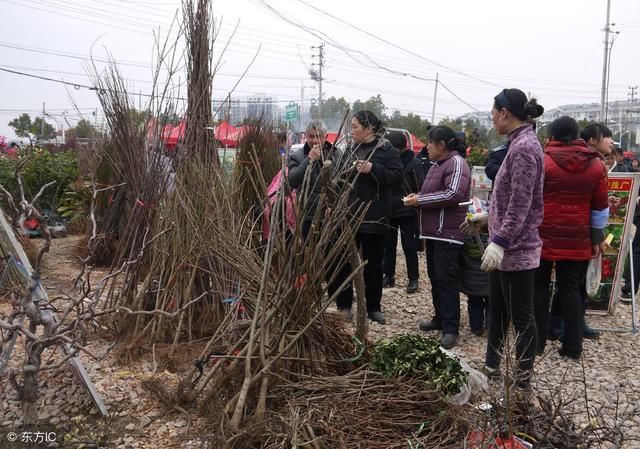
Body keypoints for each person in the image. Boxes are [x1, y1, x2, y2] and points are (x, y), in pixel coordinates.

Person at [464, 88, 544, 390]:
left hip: (517, 251)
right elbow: (508, 196)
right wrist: (488, 220)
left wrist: (500, 241)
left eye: (493, 111)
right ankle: (492, 366)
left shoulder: (525, 147)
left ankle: (522, 380)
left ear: (505, 113)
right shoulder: (518, 143)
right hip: (506, 245)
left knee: (522, 319)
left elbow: (522, 202)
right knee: (497, 310)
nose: (492, 117)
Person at [533, 116, 609, 360]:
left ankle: (537, 343)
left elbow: (533, 200)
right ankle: (573, 346)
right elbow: (600, 207)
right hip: (578, 235)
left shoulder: (543, 161)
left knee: (539, 285)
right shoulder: (596, 164)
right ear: (577, 135)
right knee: (571, 289)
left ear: (553, 136)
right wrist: (596, 237)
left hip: (543, 233)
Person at [331, 110, 403, 324]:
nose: (351, 131)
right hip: (349, 214)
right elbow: (339, 178)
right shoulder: (351, 149)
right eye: (351, 126)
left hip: (375, 215)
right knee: (343, 261)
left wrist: (374, 169)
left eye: (355, 126)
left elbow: (397, 178)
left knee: (373, 265)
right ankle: (344, 305)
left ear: (369, 128)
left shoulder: (386, 149)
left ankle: (373, 307)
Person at [404, 126, 471, 349]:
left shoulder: (456, 163)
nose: (427, 147)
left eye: (430, 143)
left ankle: (451, 328)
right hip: (434, 232)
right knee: (435, 277)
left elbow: (453, 194)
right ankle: (440, 318)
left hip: (448, 233)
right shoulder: (437, 165)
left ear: (441, 145)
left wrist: (420, 201)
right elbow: (432, 193)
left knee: (447, 280)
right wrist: (418, 197)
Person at [382, 131, 424, 293]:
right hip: (389, 209)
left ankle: (413, 278)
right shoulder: (388, 161)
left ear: (398, 147)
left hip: (407, 209)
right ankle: (389, 275)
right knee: (388, 245)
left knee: (409, 245)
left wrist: (415, 201)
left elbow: (419, 186)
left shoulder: (414, 163)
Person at [288, 119, 341, 240]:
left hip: (331, 215)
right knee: (307, 253)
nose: (315, 140)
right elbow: (292, 181)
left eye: (319, 136)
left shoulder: (336, 154)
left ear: (326, 137)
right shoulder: (298, 156)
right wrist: (309, 160)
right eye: (311, 136)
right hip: (307, 216)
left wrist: (333, 206)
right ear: (306, 136)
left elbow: (342, 183)